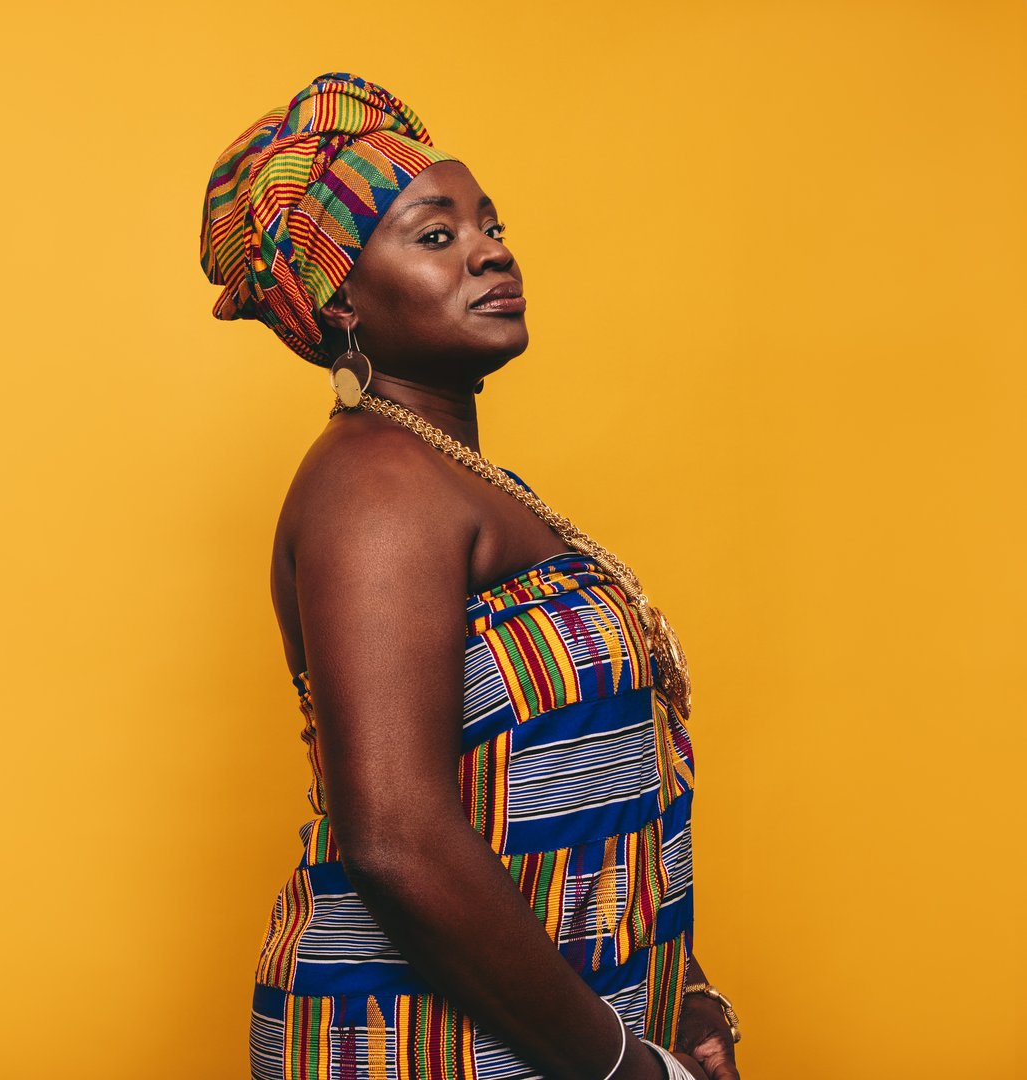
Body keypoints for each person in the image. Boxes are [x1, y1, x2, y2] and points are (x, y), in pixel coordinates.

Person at [198, 73, 742, 1080]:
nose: (490, 251)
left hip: (562, 1027)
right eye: (436, 236)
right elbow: (397, 837)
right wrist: (623, 1068)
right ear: (341, 299)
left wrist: (681, 986)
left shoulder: (460, 480)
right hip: (419, 1041)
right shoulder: (374, 486)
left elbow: (569, 775)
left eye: (491, 227)